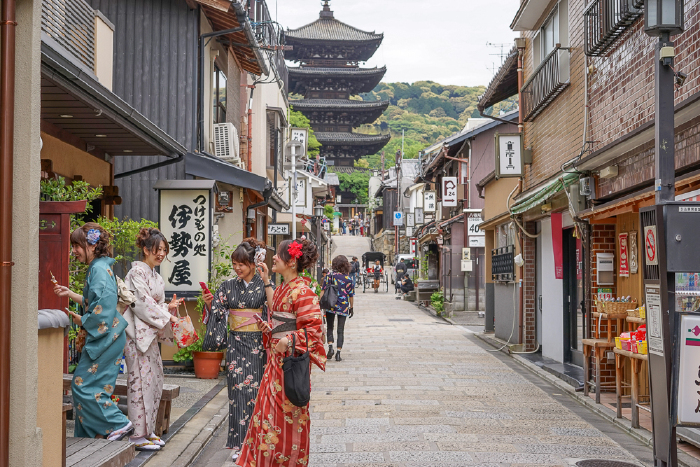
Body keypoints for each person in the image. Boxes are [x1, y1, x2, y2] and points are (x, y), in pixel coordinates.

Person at [236, 239, 326, 467]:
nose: (273, 257)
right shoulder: (285, 288)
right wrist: (273, 331)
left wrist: (288, 339)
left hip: (289, 366)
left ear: (292, 262)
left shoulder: (304, 292)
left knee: (287, 420)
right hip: (275, 364)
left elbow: (314, 331)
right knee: (266, 418)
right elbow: (281, 320)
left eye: (278, 255)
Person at [53, 223, 133, 440]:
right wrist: (71, 294)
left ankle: (119, 423)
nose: (74, 251)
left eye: (77, 246)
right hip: (110, 334)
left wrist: (83, 320)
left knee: (82, 384)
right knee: (94, 387)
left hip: (106, 335)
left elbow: (103, 306)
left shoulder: (97, 269)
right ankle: (95, 435)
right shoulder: (100, 267)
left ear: (91, 245)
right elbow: (97, 301)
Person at [201, 238, 269, 461]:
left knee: (258, 394)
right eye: (234, 264)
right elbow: (219, 314)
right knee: (237, 394)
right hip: (236, 344)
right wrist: (210, 304)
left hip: (259, 345)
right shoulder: (227, 286)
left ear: (252, 263)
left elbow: (273, 311)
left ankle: (257, 443)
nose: (237, 268)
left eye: (241, 264)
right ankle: (241, 445)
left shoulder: (264, 285)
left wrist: (266, 326)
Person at [123, 228, 182, 451]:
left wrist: (168, 308)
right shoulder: (136, 274)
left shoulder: (156, 277)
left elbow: (156, 306)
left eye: (164, 251)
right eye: (158, 250)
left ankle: (149, 431)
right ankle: (137, 435)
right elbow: (142, 305)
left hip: (149, 336)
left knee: (154, 381)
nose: (161, 254)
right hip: (136, 336)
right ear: (146, 250)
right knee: (139, 382)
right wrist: (167, 313)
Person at [321, 256, 354, 362]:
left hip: (331, 304)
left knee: (330, 326)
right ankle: (338, 353)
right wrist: (351, 308)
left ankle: (330, 347)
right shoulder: (348, 279)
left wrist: (319, 303)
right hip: (343, 306)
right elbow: (351, 295)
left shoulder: (329, 276)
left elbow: (323, 290)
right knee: (341, 330)